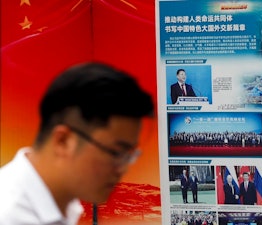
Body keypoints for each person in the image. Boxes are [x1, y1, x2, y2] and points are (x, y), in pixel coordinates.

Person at [0, 62, 153, 225]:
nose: (123, 169)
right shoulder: (10, 216)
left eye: (129, 155)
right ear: (63, 141)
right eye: (115, 153)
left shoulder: (67, 205)